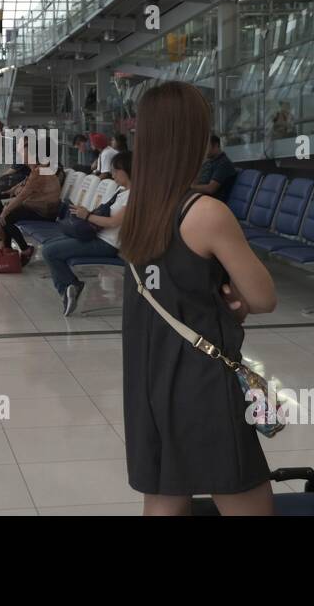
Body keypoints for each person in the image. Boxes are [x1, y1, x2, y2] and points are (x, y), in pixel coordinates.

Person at [118, 81, 277, 516]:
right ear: (194, 136)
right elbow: (263, 297)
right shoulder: (205, 213)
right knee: (246, 499)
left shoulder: (136, 210)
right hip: (202, 386)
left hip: (147, 383)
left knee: (166, 498)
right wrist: (240, 303)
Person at [43, 151, 131, 316]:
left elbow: (114, 222)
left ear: (127, 170)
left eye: (115, 171)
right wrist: (85, 212)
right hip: (98, 237)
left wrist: (88, 216)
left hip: (107, 244)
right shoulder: (121, 191)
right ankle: (70, 286)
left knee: (49, 251)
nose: (112, 174)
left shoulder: (133, 195)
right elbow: (106, 214)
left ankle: (69, 286)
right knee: (49, 245)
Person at [0, 140, 62, 266]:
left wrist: (6, 211)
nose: (25, 160)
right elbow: (24, 186)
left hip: (44, 212)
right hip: (38, 206)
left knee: (6, 217)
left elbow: (22, 196)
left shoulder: (40, 172)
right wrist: (12, 190)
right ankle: (2, 243)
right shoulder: (40, 169)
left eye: (27, 157)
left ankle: (24, 249)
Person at [191, 134, 238, 201]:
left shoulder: (223, 163)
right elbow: (197, 179)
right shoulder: (209, 162)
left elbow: (211, 189)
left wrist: (191, 189)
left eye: (206, 146)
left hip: (213, 201)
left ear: (216, 145)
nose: (203, 149)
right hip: (202, 197)